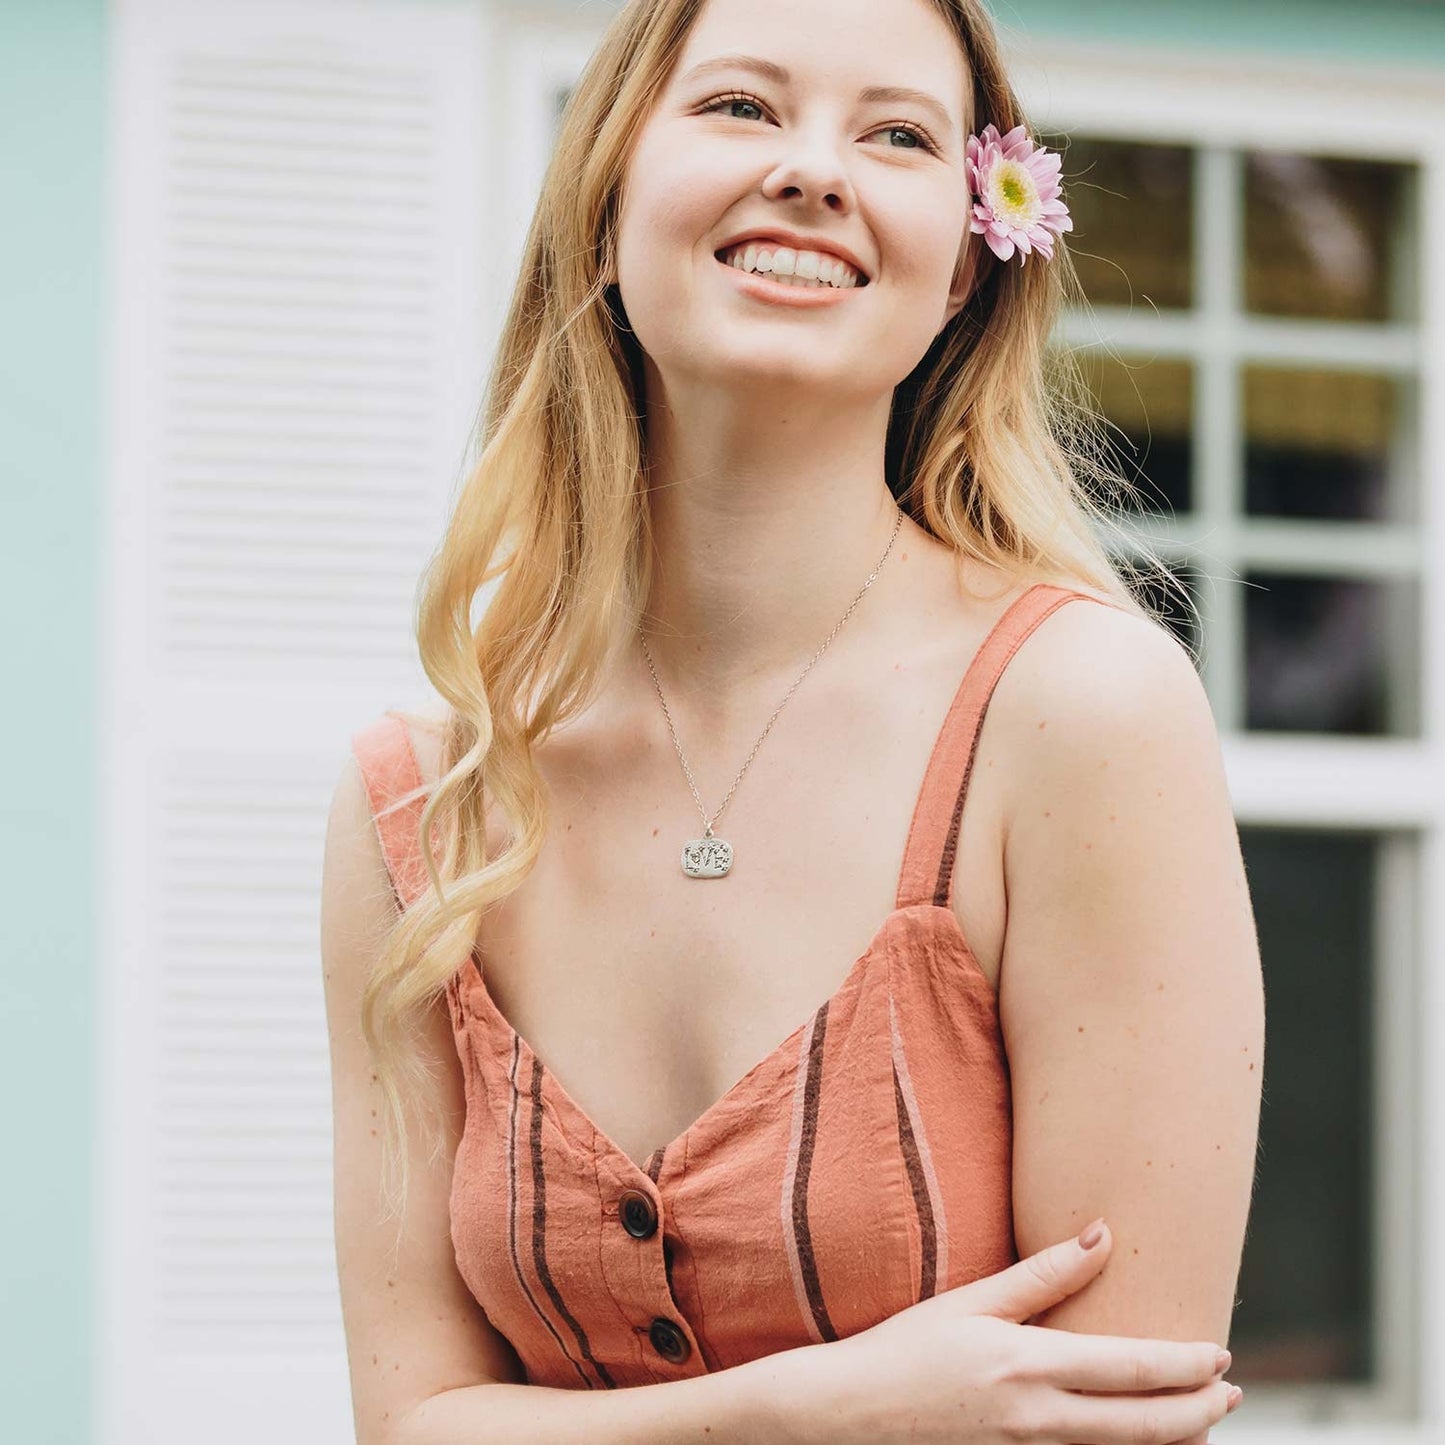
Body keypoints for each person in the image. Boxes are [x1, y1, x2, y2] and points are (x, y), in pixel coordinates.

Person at [320, 0, 1265, 1438]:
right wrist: (829, 1410)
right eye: (741, 107)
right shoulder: (423, 805)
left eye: (897, 135)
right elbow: (409, 1423)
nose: (815, 170)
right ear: (604, 203)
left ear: (964, 265)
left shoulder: (1078, 717)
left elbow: (1115, 1416)